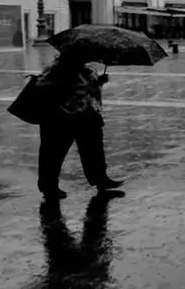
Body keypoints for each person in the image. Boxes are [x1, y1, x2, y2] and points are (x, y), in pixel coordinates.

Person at [34, 54, 124, 199]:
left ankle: (100, 179)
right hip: (60, 119)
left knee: (94, 150)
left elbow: (89, 91)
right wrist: (89, 85)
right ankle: (49, 186)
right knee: (53, 154)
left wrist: (98, 82)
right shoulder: (55, 71)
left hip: (87, 116)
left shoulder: (88, 70)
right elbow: (53, 89)